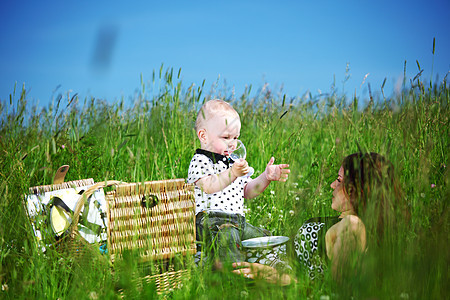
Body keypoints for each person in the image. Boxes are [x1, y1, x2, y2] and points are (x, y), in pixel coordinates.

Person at [233, 152, 406, 284]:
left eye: (339, 180)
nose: (332, 185)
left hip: (258, 272)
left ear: (357, 190)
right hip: (254, 256)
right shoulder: (346, 222)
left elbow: (336, 289)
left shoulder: (352, 226)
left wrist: (274, 276)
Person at [187, 99, 290, 264]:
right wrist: (232, 173)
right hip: (210, 221)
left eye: (235, 137)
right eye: (226, 137)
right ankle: (231, 273)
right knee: (228, 238)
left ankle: (272, 263)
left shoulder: (234, 162)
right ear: (204, 136)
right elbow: (208, 186)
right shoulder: (201, 160)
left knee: (261, 237)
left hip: (237, 221)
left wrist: (266, 177)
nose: (232, 143)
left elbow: (248, 191)